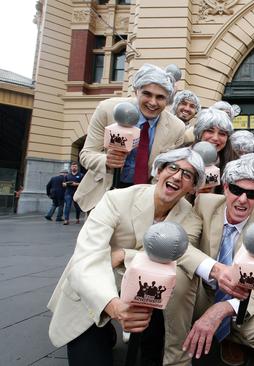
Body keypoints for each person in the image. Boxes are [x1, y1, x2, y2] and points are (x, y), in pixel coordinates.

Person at [47, 147, 205, 366]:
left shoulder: (190, 218)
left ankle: (144, 342)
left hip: (149, 294)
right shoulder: (115, 199)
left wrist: (123, 254)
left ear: (193, 187)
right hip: (96, 288)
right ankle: (105, 331)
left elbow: (179, 257)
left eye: (187, 175)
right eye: (173, 167)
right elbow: (86, 260)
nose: (177, 176)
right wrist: (113, 306)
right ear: (158, 171)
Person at [184, 156, 254, 366]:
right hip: (201, 289)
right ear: (226, 188)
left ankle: (230, 337)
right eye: (237, 190)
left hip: (237, 299)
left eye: (252, 194)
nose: (243, 199)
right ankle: (178, 336)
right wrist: (214, 271)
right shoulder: (204, 204)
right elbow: (184, 246)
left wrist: (223, 309)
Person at [75, 63, 186, 212]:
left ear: (168, 100)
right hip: (103, 195)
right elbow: (86, 154)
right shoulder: (107, 110)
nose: (153, 102)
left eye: (160, 97)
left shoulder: (177, 128)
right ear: (136, 91)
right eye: (147, 94)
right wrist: (106, 161)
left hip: (144, 200)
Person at [193, 108, 237, 178]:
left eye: (222, 133)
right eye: (210, 131)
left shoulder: (235, 163)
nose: (215, 138)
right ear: (199, 132)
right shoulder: (182, 157)